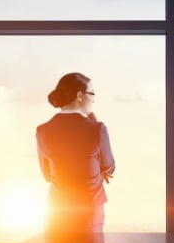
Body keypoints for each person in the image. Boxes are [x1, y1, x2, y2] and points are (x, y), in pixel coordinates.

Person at [36, 72, 115, 232]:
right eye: (92, 93)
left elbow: (47, 175)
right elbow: (109, 167)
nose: (93, 99)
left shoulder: (43, 130)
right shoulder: (97, 129)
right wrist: (97, 171)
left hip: (57, 210)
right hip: (90, 210)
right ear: (80, 95)